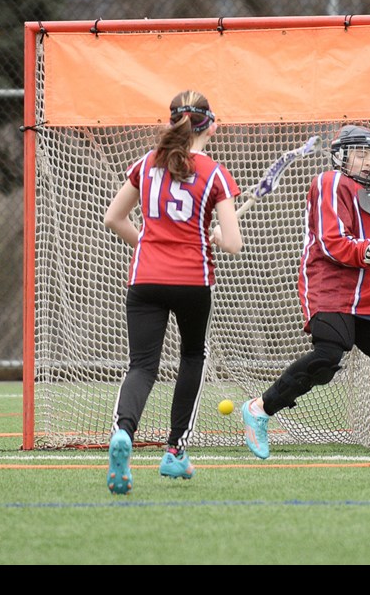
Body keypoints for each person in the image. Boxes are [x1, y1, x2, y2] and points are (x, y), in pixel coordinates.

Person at [241, 124, 370, 460]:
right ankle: (259, 409)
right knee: (328, 357)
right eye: (360, 154)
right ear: (341, 156)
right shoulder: (330, 183)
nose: (368, 162)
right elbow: (334, 243)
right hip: (331, 284)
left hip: (369, 290)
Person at [103, 90, 243, 495]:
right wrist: (214, 236)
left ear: (171, 122)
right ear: (210, 125)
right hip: (192, 282)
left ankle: (123, 432)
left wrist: (148, 245)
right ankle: (176, 451)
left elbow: (114, 218)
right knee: (192, 357)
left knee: (142, 365)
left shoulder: (146, 164)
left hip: (145, 278)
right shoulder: (215, 173)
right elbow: (233, 243)